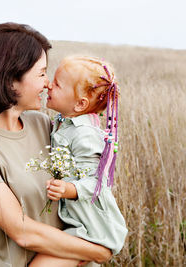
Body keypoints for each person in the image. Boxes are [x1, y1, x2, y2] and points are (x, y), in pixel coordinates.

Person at [0, 23, 112, 267]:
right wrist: (98, 251)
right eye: (41, 73)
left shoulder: (42, 124)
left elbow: (86, 185)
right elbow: (22, 231)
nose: (48, 83)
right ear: (10, 78)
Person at [29, 56, 128, 266]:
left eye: (57, 84)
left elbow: (97, 182)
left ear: (80, 103)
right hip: (76, 222)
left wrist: (68, 189)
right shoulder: (64, 121)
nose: (49, 85)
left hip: (93, 229)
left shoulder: (85, 133)